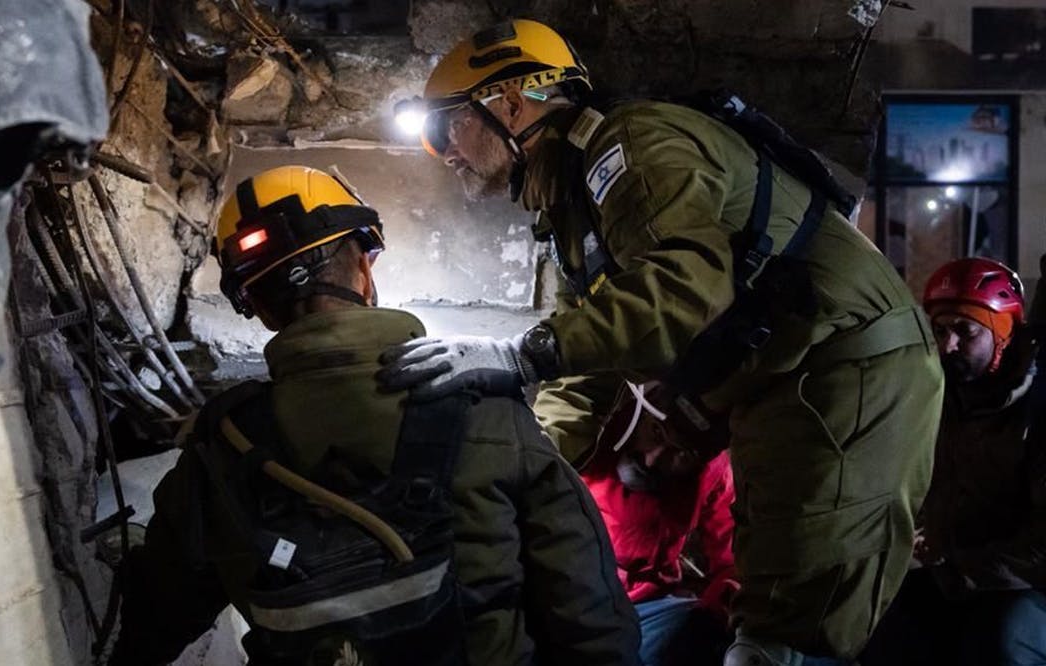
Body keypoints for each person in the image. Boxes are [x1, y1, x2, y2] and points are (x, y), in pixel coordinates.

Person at [378, 18, 944, 665]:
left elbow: (683, 290)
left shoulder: (633, 146)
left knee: (803, 615)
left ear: (509, 101)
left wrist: (517, 355)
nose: (442, 152)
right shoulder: (573, 211)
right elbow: (586, 371)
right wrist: (531, 472)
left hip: (845, 365)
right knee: (773, 609)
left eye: (446, 127)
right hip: (787, 380)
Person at [109, 165, 640, 665]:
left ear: (262, 309)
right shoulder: (486, 408)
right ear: (364, 267)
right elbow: (588, 613)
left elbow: (155, 617)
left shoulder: (221, 450)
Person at [862, 257, 1046, 666]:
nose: (948, 345)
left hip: (1025, 584)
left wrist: (964, 569)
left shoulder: (1037, 411)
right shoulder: (939, 397)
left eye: (966, 331)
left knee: (1004, 641)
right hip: (957, 573)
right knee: (880, 632)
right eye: (940, 330)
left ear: (1003, 334)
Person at [588, 381, 738, 665]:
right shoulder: (593, 439)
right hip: (580, 601)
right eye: (656, 431)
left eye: (681, 453)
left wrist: (719, 607)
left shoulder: (711, 475)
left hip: (651, 606)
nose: (652, 458)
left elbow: (729, 556)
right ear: (643, 415)